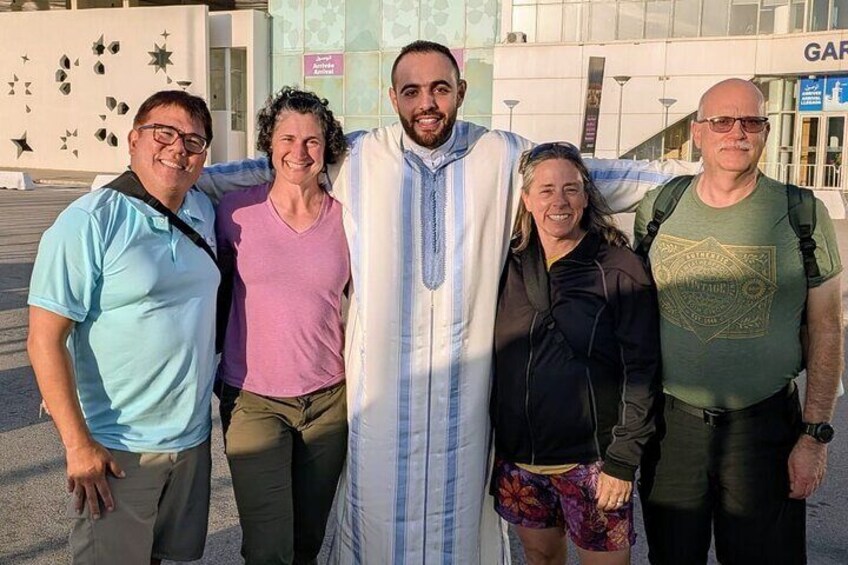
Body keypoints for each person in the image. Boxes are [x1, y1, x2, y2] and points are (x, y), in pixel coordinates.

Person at [197, 41, 695, 564]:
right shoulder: (358, 158)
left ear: (461, 91)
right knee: (373, 523)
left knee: (458, 526)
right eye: (412, 91)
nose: (426, 103)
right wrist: (177, 179)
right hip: (380, 397)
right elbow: (264, 170)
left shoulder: (501, 156)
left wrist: (702, 179)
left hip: (465, 397)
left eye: (439, 88)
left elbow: (586, 177)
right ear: (393, 97)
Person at [635, 78, 844, 564]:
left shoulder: (802, 213)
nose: (737, 133)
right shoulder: (660, 208)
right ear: (697, 133)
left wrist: (814, 437)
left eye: (751, 122)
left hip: (763, 430)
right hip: (672, 430)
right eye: (722, 122)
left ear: (766, 133)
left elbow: (827, 330)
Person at [27, 90, 218, 564]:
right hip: (118, 447)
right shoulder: (89, 221)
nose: (178, 149)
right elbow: (44, 339)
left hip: (191, 441)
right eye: (164, 134)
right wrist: (78, 446)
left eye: (193, 141)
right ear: (134, 140)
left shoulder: (203, 211)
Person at [492, 143, 659, 565]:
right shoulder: (505, 264)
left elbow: (642, 370)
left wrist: (622, 461)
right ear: (526, 199)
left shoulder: (617, 267)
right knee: (540, 557)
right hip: (521, 458)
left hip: (593, 462)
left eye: (571, 189)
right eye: (546, 190)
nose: (559, 202)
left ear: (586, 197)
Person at [215, 87, 349, 564]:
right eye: (287, 138)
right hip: (253, 401)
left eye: (312, 140)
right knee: (269, 548)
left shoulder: (347, 219)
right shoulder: (234, 212)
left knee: (307, 542)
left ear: (327, 148)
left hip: (329, 401)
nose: (299, 151)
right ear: (269, 145)